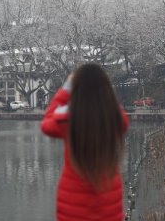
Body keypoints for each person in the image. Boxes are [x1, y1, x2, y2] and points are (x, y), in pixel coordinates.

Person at [41, 63, 129, 221]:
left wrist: (66, 88)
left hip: (72, 205)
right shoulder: (115, 119)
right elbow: (118, 113)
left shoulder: (66, 120)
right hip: (109, 201)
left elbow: (46, 123)